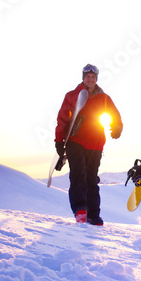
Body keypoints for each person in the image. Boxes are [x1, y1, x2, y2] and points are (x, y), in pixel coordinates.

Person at [55, 64, 123, 225]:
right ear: (83, 78)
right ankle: (80, 209)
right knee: (79, 173)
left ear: (96, 79)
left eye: (93, 77)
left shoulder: (104, 98)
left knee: (91, 178)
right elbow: (62, 119)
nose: (90, 79)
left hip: (96, 142)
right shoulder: (72, 95)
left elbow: (114, 114)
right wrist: (59, 141)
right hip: (75, 140)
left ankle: (93, 214)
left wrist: (117, 128)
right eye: (87, 77)